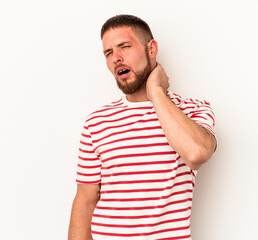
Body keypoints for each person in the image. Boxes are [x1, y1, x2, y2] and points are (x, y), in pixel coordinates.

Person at [68, 14, 217, 240]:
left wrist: (155, 90)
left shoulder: (193, 110)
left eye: (124, 47)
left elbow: (197, 153)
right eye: (108, 53)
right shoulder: (96, 122)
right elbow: (85, 200)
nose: (116, 58)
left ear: (152, 49)